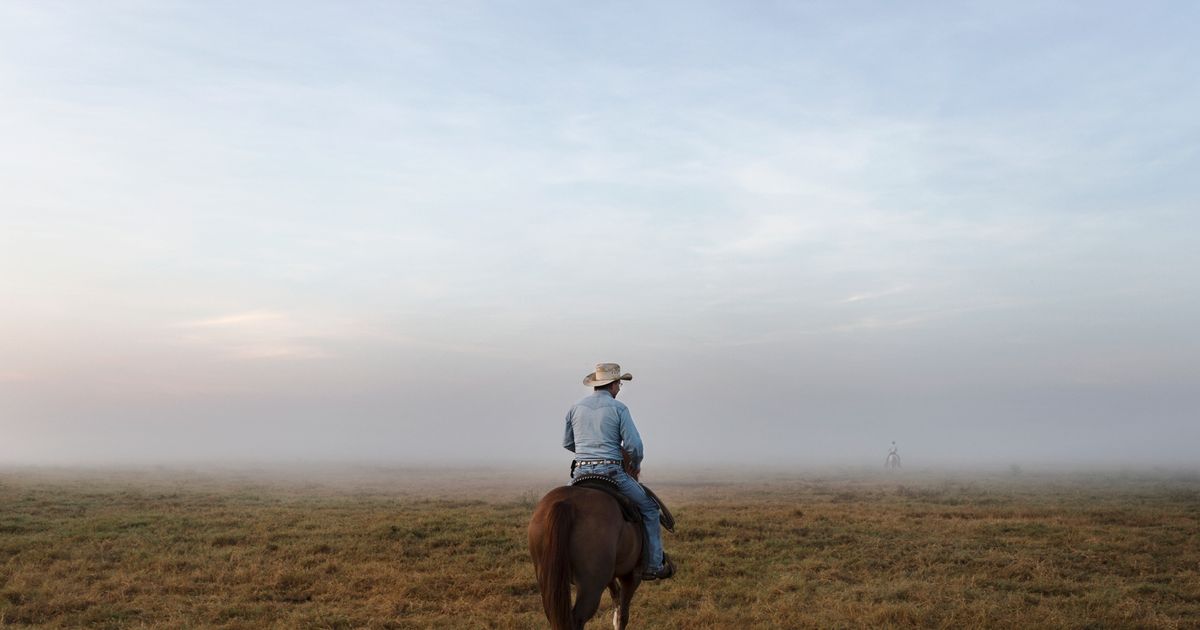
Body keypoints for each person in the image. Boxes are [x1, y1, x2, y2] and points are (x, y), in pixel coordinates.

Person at [563, 363, 675, 581]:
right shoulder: (619, 408)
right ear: (612, 385)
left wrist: (588, 452)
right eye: (619, 384)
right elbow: (635, 446)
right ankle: (653, 565)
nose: (620, 388)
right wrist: (636, 463)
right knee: (650, 509)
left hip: (580, 473)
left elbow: (568, 442)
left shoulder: (575, 408)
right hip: (611, 471)